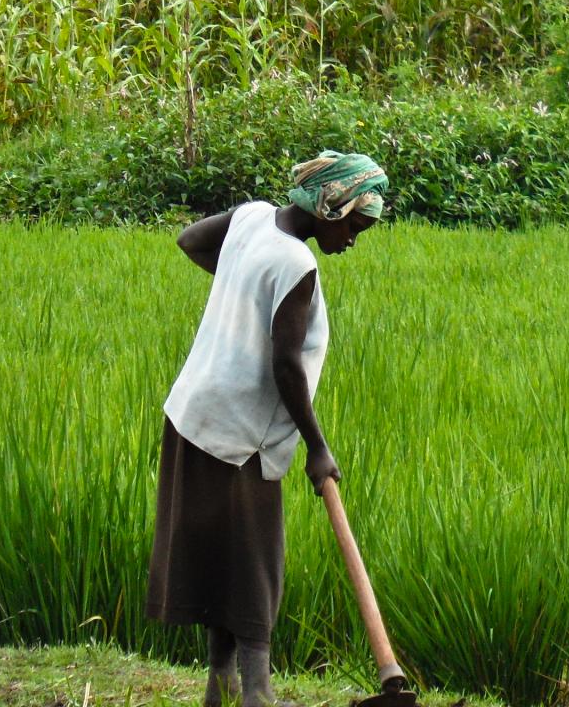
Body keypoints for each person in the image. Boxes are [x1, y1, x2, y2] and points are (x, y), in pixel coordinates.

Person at [146, 151, 388, 707]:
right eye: (353, 224)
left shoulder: (252, 218)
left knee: (220, 555)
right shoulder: (295, 266)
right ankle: (257, 692)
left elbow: (190, 239)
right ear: (329, 206)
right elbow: (286, 365)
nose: (353, 238)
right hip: (240, 433)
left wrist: (240, 280)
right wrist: (318, 448)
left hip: (194, 414)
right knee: (257, 562)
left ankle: (221, 680)